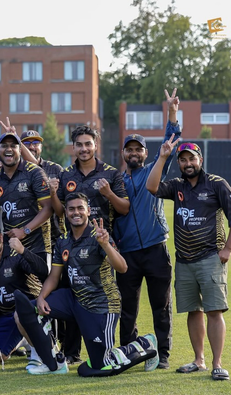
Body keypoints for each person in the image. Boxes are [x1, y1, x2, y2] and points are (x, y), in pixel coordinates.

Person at [15, 192, 159, 376]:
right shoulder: (63, 241)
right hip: (74, 299)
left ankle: (145, 344)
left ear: (88, 211)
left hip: (102, 304)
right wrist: (42, 297)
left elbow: (122, 267)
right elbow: (54, 276)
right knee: (28, 311)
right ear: (66, 212)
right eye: (71, 209)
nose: (76, 212)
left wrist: (105, 244)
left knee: (101, 364)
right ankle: (56, 362)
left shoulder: (98, 235)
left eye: (80, 208)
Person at [147, 138, 231, 380]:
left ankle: (217, 364)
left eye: (191, 159)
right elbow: (152, 187)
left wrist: (227, 249)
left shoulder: (216, 184)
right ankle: (199, 360)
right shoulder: (177, 186)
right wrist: (163, 157)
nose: (187, 163)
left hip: (210, 258)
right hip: (184, 261)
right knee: (193, 311)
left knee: (214, 311)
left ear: (200, 160)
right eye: (183, 160)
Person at [49, 125, 129, 364]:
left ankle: (116, 346)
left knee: (105, 297)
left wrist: (109, 194)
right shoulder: (66, 175)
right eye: (79, 144)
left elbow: (124, 208)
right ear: (73, 147)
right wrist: (53, 193)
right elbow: (60, 212)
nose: (84, 149)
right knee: (75, 295)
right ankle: (71, 352)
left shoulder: (111, 173)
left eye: (88, 144)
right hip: (72, 247)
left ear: (95, 145)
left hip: (101, 247)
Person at [113, 88, 181, 370]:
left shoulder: (155, 170)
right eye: (129, 149)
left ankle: (162, 353)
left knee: (160, 305)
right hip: (127, 253)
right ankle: (130, 353)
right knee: (127, 308)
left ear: (145, 153)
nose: (133, 153)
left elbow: (169, 142)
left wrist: (172, 112)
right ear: (123, 153)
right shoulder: (115, 181)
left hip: (155, 249)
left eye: (138, 149)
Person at [0, 220, 48, 366]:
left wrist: (23, 250)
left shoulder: (15, 254)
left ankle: (41, 353)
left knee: (20, 314)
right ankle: (23, 338)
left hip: (33, 308)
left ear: (0, 237)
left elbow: (43, 271)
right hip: (7, 316)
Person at [0, 132, 53, 255]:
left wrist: (25, 230)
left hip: (38, 247)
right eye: (4, 146)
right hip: (11, 248)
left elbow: (48, 208)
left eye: (13, 146)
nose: (9, 149)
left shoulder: (34, 172)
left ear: (20, 150)